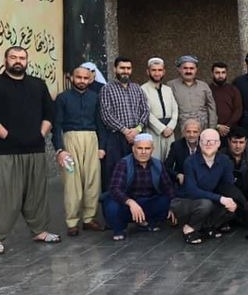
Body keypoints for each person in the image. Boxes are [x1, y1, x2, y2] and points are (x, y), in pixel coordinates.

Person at [0, 46, 60, 255]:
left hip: (35, 149)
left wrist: (40, 134)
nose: (18, 61)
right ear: (5, 60)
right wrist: (8, 136)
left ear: (26, 61)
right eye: (13, 57)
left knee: (36, 193)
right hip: (4, 151)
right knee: (3, 195)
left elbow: (50, 114)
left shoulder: (38, 85)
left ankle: (39, 230)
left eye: (22, 58)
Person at [53, 64, 107, 236]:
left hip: (92, 140)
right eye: (79, 77)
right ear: (71, 78)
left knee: (93, 180)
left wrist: (102, 147)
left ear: (90, 79)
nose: (82, 81)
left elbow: (101, 124)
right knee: (72, 182)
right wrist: (60, 149)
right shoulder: (63, 98)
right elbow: (56, 126)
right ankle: (72, 221)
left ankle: (89, 218)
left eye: (86, 78)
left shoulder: (95, 97)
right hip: (71, 141)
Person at [171, 128, 245, 244]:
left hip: (209, 199)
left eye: (213, 141)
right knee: (206, 204)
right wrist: (220, 198)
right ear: (200, 143)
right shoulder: (190, 162)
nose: (209, 144)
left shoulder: (225, 160)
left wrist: (233, 201)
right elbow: (192, 191)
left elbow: (227, 184)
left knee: (231, 205)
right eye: (205, 141)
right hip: (185, 201)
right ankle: (189, 228)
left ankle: (207, 227)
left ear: (219, 144)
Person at [103, 133, 176, 241]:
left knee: (165, 201)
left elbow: (168, 188)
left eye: (147, 148)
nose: (143, 152)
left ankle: (146, 222)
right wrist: (130, 202)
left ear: (152, 150)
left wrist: (173, 206)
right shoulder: (123, 163)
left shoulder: (158, 164)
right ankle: (119, 229)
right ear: (133, 149)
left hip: (147, 202)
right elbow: (115, 189)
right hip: (127, 205)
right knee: (111, 205)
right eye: (140, 148)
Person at [98, 56, 149, 191]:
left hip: (137, 137)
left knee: (137, 172)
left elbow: (145, 111)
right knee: (115, 173)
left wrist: (137, 130)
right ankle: (114, 205)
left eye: (128, 68)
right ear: (115, 69)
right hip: (116, 138)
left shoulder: (137, 88)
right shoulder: (107, 89)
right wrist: (125, 131)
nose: (125, 71)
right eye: (122, 68)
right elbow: (106, 115)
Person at [168, 54, 217, 136]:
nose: (188, 71)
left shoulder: (204, 86)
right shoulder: (170, 85)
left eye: (191, 68)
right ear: (179, 69)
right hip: (180, 127)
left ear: (196, 70)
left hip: (202, 126)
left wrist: (212, 128)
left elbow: (211, 107)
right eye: (185, 68)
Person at [141, 57, 179, 162]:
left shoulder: (168, 89)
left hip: (169, 131)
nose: (157, 73)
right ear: (148, 72)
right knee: (154, 161)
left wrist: (170, 127)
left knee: (170, 161)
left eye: (159, 70)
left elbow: (175, 109)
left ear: (164, 72)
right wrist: (162, 129)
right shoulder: (142, 89)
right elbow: (146, 112)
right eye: (154, 70)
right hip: (154, 131)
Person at [209, 61, 243, 147]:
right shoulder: (207, 90)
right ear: (212, 74)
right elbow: (204, 110)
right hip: (212, 130)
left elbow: (238, 109)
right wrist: (217, 126)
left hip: (230, 131)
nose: (220, 75)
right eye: (217, 73)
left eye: (223, 72)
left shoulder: (233, 89)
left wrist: (227, 126)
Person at [225, 126, 248, 209]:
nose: (238, 146)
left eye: (241, 142)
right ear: (229, 141)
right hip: (227, 198)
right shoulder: (221, 156)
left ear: (246, 142)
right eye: (234, 142)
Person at [164, 118, 202, 186]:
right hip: (183, 183)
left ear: (199, 133)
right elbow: (166, 167)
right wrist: (177, 175)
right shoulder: (176, 145)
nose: (191, 135)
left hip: (202, 182)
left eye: (195, 132)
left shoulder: (205, 145)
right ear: (184, 132)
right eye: (188, 132)